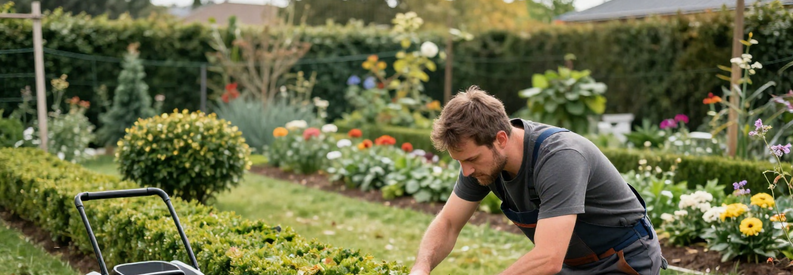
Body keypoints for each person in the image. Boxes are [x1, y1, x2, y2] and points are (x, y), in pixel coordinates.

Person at [409, 86, 667, 275]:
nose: (466, 171)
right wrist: (421, 267)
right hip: (571, 265)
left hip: (622, 261)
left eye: (472, 159)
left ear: (500, 139)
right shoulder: (481, 165)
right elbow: (449, 222)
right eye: (460, 161)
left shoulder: (559, 157)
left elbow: (548, 258)